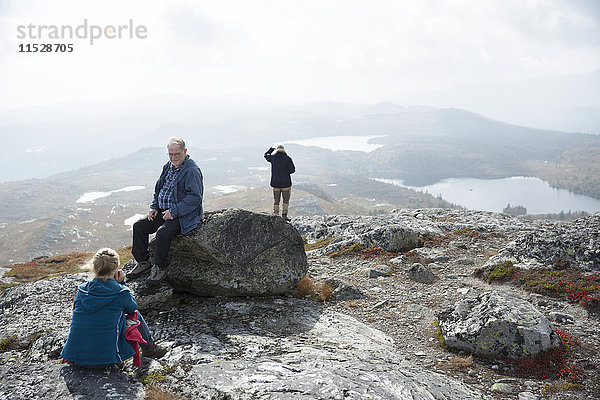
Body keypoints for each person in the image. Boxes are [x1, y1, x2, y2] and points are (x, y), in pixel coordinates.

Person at [60, 248, 166, 367]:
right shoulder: (121, 292)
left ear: (94, 267)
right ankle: (150, 349)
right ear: (116, 269)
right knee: (135, 315)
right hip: (107, 359)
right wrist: (121, 284)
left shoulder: (81, 290)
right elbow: (131, 308)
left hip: (75, 357)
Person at [128, 137, 204, 285]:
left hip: (182, 214)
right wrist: (154, 206)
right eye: (171, 154)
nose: (173, 158)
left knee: (163, 233)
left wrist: (174, 211)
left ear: (185, 152)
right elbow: (159, 189)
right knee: (139, 226)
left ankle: (159, 268)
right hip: (163, 210)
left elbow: (195, 198)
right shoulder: (168, 167)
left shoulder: (192, 170)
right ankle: (143, 262)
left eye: (177, 154)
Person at [264, 144, 295, 221]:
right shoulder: (288, 159)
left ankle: (276, 215)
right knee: (285, 200)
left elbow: (266, 155)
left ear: (276, 150)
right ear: (284, 150)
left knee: (276, 200)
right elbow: (292, 170)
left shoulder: (273, 158)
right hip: (286, 184)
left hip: (275, 184)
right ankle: (284, 215)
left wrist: (271, 149)